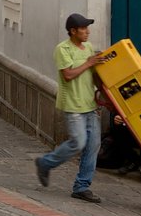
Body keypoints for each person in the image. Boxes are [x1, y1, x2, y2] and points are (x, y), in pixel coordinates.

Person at [35, 13, 106, 203]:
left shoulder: (88, 47)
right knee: (78, 142)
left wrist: (102, 90)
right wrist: (89, 62)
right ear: (73, 31)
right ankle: (44, 163)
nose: (87, 32)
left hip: (89, 104)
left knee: (93, 146)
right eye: (83, 29)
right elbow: (67, 74)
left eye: (87, 28)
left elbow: (92, 74)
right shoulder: (62, 49)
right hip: (73, 105)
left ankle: (82, 187)